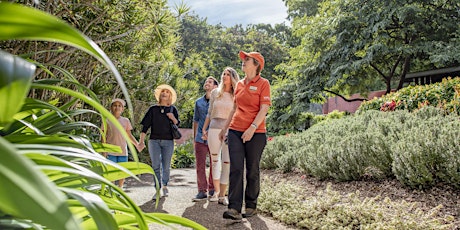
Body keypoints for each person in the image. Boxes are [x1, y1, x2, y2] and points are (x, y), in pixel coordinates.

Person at [220, 51, 271, 220]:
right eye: (243, 59)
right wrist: (224, 129)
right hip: (235, 130)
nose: (243, 61)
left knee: (252, 169)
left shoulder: (264, 83)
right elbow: (234, 109)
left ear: (256, 64)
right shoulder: (240, 84)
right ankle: (234, 208)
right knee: (235, 167)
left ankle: (251, 205)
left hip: (256, 133)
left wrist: (252, 128)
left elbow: (264, 108)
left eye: (247, 59)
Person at [202, 67, 240, 205]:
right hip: (213, 129)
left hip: (230, 131)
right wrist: (204, 129)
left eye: (228, 74)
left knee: (227, 163)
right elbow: (210, 112)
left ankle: (223, 195)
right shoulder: (215, 93)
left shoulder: (236, 93)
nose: (224, 76)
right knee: (214, 161)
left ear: (233, 77)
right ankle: (216, 192)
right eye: (223, 73)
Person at [138, 84, 180, 200]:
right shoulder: (153, 109)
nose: (164, 93)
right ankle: (157, 188)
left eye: (167, 92)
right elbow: (145, 127)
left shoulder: (173, 109)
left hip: (168, 141)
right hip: (154, 141)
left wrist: (172, 118)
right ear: (159, 95)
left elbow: (177, 123)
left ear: (170, 95)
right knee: (156, 165)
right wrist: (141, 142)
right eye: (163, 91)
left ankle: (165, 185)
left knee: (166, 166)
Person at [102, 98, 140, 189]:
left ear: (122, 109)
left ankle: (120, 188)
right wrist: (103, 151)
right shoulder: (106, 120)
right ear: (111, 108)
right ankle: (112, 189)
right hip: (110, 151)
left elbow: (129, 135)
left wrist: (137, 144)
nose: (117, 107)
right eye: (115, 105)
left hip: (122, 151)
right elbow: (103, 136)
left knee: (122, 172)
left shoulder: (126, 121)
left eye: (120, 106)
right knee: (112, 171)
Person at [192, 76, 219, 201]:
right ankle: (201, 191)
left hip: (214, 137)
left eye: (210, 82)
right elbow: (195, 121)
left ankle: (212, 188)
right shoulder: (198, 102)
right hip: (200, 138)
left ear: (215, 86)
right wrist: (195, 137)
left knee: (214, 164)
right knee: (200, 165)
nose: (206, 83)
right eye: (206, 81)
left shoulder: (219, 100)